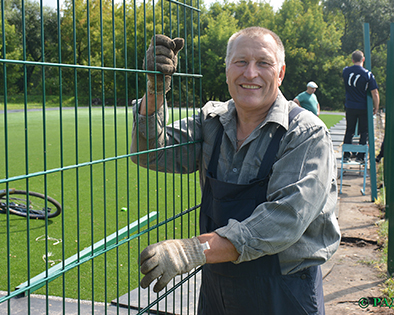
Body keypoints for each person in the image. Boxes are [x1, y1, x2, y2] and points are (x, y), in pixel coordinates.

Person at [130, 28, 340, 314]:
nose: (250, 73)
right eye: (240, 62)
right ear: (227, 69)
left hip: (283, 292)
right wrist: (155, 91)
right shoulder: (212, 122)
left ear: (280, 73)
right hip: (218, 287)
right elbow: (152, 153)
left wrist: (192, 250)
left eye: (263, 63)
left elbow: (285, 220)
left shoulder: (306, 133)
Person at [342, 50, 380, 163]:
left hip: (350, 105)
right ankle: (361, 157)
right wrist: (376, 107)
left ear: (352, 60)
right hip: (363, 107)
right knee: (364, 132)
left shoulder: (346, 71)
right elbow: (375, 93)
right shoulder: (367, 74)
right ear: (363, 59)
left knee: (349, 130)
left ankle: (346, 155)